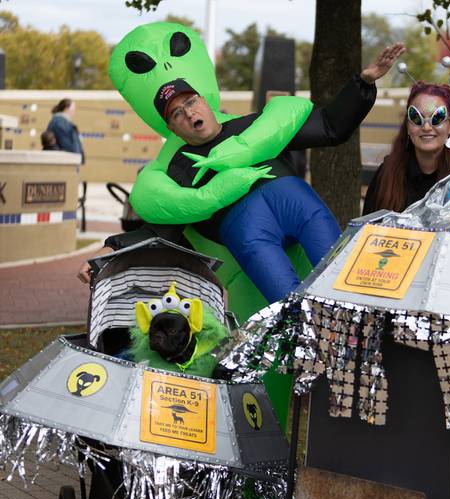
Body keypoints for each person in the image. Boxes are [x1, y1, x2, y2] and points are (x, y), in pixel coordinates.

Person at [78, 22, 403, 308]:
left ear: (204, 100)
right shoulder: (178, 169)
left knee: (343, 279)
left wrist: (364, 82)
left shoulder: (255, 126)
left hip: (297, 205)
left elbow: (332, 127)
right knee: (292, 310)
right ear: (172, 128)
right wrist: (109, 251)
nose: (190, 114)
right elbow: (159, 232)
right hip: (248, 233)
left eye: (191, 102)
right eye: (177, 114)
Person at [362, 81, 450, 214]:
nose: (426, 127)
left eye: (437, 117)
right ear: (408, 126)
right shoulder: (387, 173)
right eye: (416, 117)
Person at [47, 99, 84, 163]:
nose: (74, 111)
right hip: (65, 162)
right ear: (66, 108)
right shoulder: (59, 123)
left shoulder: (64, 122)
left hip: (70, 161)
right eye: (73, 108)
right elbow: (65, 145)